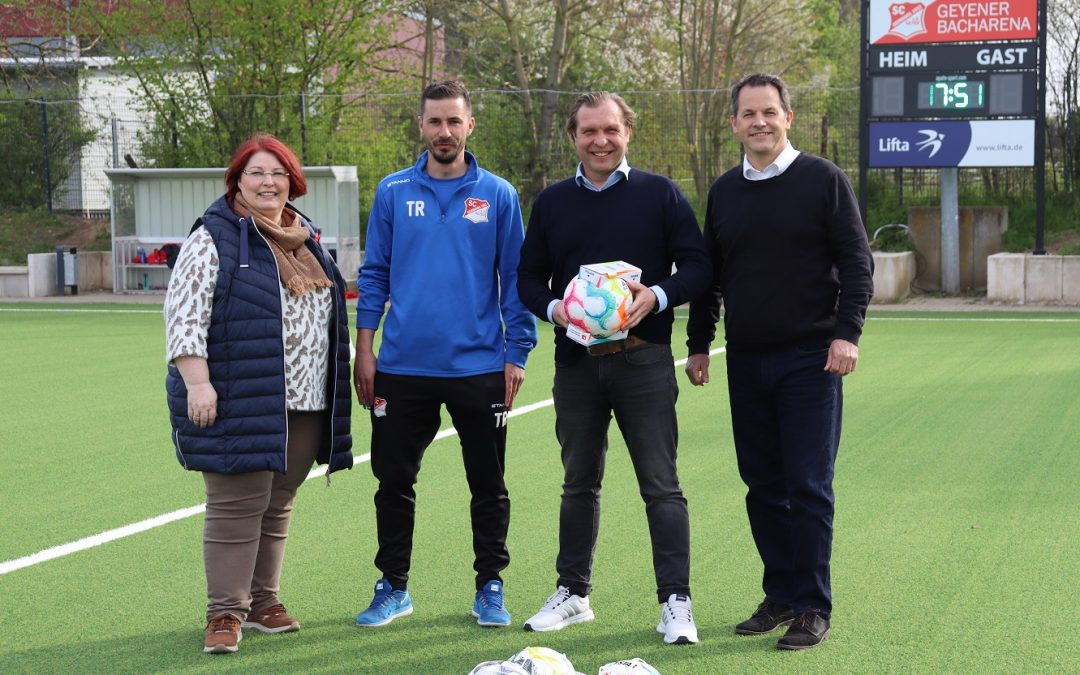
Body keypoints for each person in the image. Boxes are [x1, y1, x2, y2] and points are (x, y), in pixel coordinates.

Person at [684, 73, 874, 650]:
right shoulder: (724, 190)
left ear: (788, 117)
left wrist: (847, 336)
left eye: (769, 111)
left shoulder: (823, 180)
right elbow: (711, 276)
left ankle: (814, 604)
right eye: (748, 113)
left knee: (808, 485)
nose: (759, 122)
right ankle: (782, 595)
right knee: (762, 484)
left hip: (811, 361)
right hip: (746, 361)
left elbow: (857, 264)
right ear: (735, 123)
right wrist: (698, 343)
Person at [517, 91, 711, 645]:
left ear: (628, 131)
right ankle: (573, 594)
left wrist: (658, 294)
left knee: (662, 486)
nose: (600, 141)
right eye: (588, 132)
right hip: (576, 364)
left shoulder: (660, 194)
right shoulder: (552, 203)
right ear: (573, 137)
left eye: (610, 130)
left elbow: (698, 265)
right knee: (578, 483)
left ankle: (676, 603)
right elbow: (528, 278)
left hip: (644, 361)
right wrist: (557, 308)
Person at [353, 80, 537, 629]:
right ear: (421, 127)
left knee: (488, 483)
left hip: (479, 367)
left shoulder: (499, 195)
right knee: (393, 480)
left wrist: (517, 352)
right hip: (402, 366)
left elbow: (515, 280)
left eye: (454, 121)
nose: (445, 132)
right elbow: (375, 274)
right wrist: (366, 348)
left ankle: (490, 586)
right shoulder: (391, 192)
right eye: (435, 121)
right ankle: (394, 586)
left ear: (469, 126)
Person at [164, 133, 354, 654]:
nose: (268, 182)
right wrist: (197, 383)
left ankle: (264, 602)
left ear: (292, 181)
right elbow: (184, 316)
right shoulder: (214, 237)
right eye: (256, 173)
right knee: (234, 506)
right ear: (238, 181)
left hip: (306, 398)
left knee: (279, 503)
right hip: (241, 395)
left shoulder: (306, 236)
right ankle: (224, 612)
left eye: (278, 173)